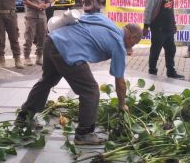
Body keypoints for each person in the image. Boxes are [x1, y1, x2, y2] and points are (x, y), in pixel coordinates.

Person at [16, 14, 143, 145]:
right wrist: (122, 104)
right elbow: (120, 82)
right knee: (90, 90)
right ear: (132, 37)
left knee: (47, 80)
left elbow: (78, 18)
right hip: (67, 50)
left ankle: (24, 116)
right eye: (135, 42)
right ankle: (84, 133)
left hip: (52, 40)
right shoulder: (118, 44)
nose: (132, 47)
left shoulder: (104, 19)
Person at [143, 0, 185, 79]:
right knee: (155, 50)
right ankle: (152, 72)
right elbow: (148, 9)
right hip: (158, 27)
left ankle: (171, 71)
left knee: (171, 50)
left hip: (169, 26)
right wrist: (146, 26)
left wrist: (174, 23)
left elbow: (170, 9)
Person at [22, 0, 52, 66]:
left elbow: (49, 2)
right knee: (29, 37)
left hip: (42, 17)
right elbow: (25, 0)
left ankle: (39, 56)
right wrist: (37, 6)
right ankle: (26, 57)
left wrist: (45, 6)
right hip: (31, 16)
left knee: (42, 37)